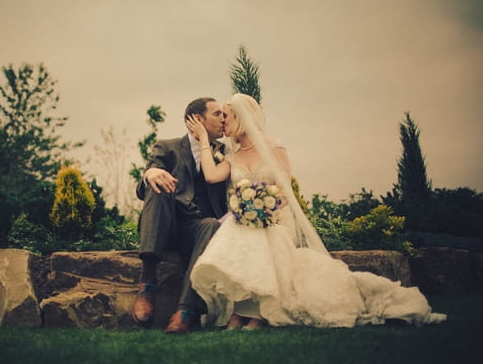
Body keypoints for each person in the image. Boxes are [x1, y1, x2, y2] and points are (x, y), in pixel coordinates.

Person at [186, 93, 446, 330]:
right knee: (237, 237)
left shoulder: (273, 146)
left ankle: (256, 314)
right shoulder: (231, 155)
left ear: (241, 118)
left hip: (276, 217)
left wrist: (265, 209)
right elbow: (210, 176)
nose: (223, 123)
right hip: (247, 220)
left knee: (261, 239)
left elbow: (286, 191)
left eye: (226, 117)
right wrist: (203, 140)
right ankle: (241, 311)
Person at [130, 97, 229, 334]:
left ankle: (185, 309)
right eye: (217, 114)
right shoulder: (167, 146)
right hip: (167, 223)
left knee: (212, 225)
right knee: (159, 182)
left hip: (198, 230)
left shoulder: (225, 154)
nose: (223, 119)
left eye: (225, 114)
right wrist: (150, 173)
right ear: (196, 120)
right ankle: (148, 283)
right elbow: (142, 189)